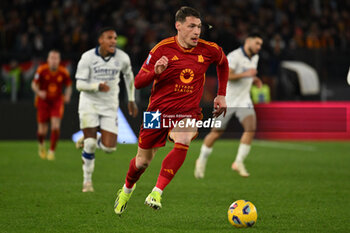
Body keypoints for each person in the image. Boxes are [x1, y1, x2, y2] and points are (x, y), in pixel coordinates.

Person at [114, 6, 228, 215]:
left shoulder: (208, 49)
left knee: (183, 137)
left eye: (199, 27)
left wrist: (221, 94)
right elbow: (138, 82)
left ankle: (156, 192)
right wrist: (155, 73)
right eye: (192, 26)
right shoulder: (162, 49)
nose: (197, 31)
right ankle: (126, 189)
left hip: (187, 112)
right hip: (157, 113)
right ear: (178, 26)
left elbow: (223, 62)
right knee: (142, 162)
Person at [75, 27, 138, 193]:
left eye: (115, 38)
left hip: (110, 106)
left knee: (110, 148)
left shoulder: (122, 57)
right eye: (110, 38)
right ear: (100, 40)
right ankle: (87, 182)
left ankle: (94, 138)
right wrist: (96, 86)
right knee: (89, 144)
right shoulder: (87, 58)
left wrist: (131, 99)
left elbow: (129, 76)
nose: (114, 42)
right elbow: (79, 84)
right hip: (89, 103)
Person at [194, 33, 263, 178]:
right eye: (257, 43)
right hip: (227, 101)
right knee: (216, 133)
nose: (259, 47)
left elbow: (249, 73)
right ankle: (201, 160)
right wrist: (246, 74)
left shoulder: (255, 57)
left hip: (244, 100)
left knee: (250, 129)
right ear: (248, 41)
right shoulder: (234, 56)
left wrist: (254, 78)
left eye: (260, 45)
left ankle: (238, 162)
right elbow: (227, 76)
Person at [32, 50, 72, 160]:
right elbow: (33, 85)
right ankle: (41, 145)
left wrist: (67, 95)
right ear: (48, 60)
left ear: (59, 60)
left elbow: (69, 85)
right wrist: (39, 92)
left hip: (57, 101)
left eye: (56, 58)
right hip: (43, 101)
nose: (54, 61)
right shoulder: (41, 70)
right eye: (52, 58)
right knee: (42, 131)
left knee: (55, 126)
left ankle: (51, 151)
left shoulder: (63, 72)